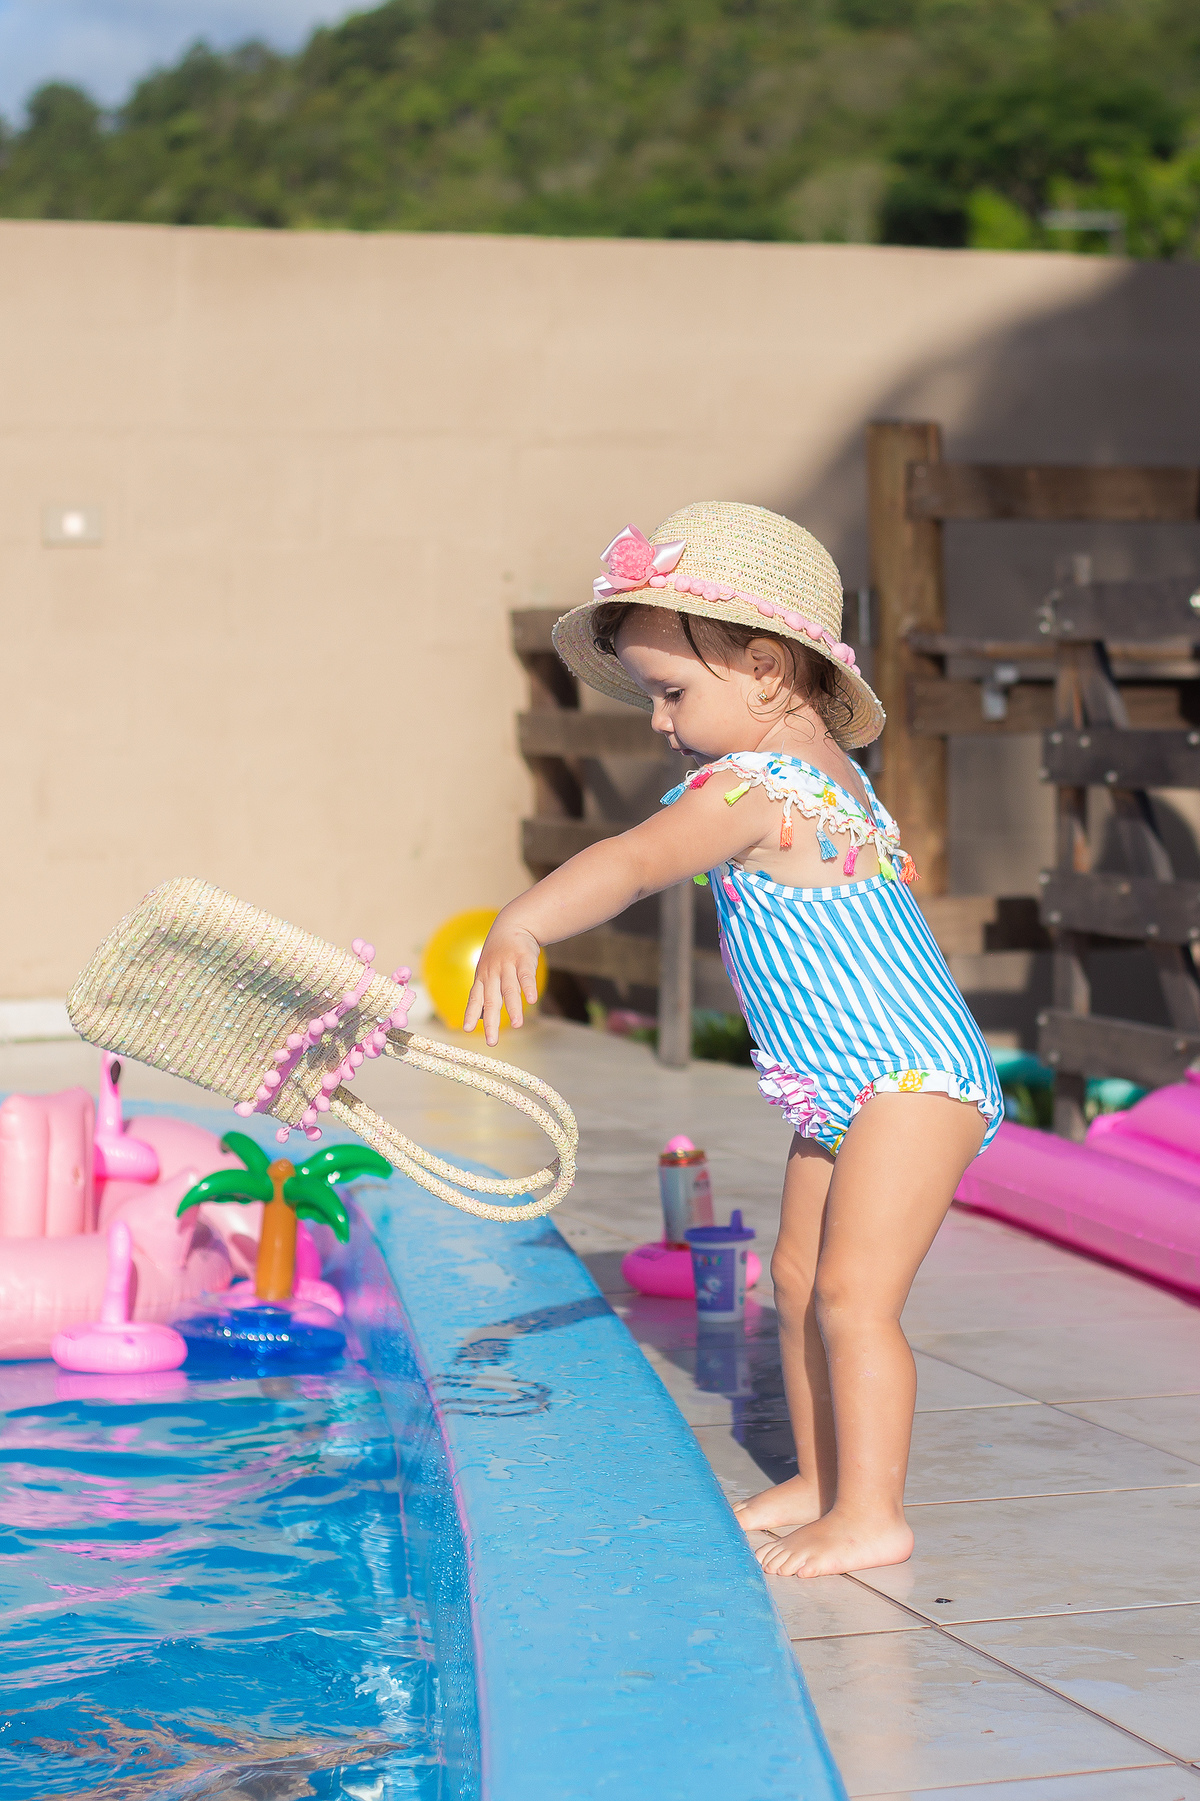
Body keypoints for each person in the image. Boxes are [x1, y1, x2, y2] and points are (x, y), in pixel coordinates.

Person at [465, 501, 1002, 1578]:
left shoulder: (751, 789)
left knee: (853, 1294)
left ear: (763, 666)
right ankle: (819, 1477)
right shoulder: (829, 777)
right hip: (846, 1079)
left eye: (672, 691)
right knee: (796, 1281)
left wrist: (522, 917)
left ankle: (873, 1512)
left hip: (913, 1076)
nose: (660, 721)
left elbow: (631, 860)